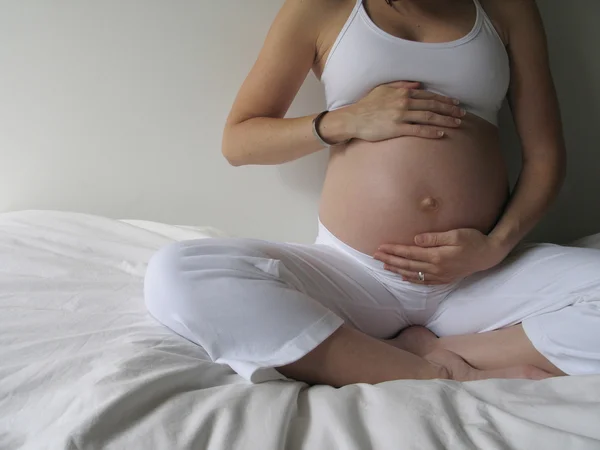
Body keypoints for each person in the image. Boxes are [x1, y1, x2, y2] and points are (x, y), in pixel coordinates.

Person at [144, 0, 600, 386]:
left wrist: (492, 249)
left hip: (475, 277)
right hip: (356, 274)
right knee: (178, 272)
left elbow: (545, 157)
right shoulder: (321, 8)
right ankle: (425, 373)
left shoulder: (507, 8)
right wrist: (345, 121)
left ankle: (445, 350)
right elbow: (239, 141)